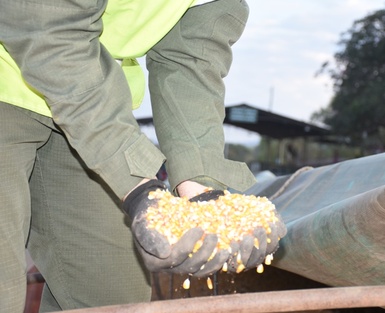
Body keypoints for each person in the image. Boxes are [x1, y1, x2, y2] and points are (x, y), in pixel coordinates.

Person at [0, 0, 286, 311]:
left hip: (88, 103)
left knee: (109, 292)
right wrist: (136, 184)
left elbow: (191, 56)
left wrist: (200, 187)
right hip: (21, 66)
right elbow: (47, 27)